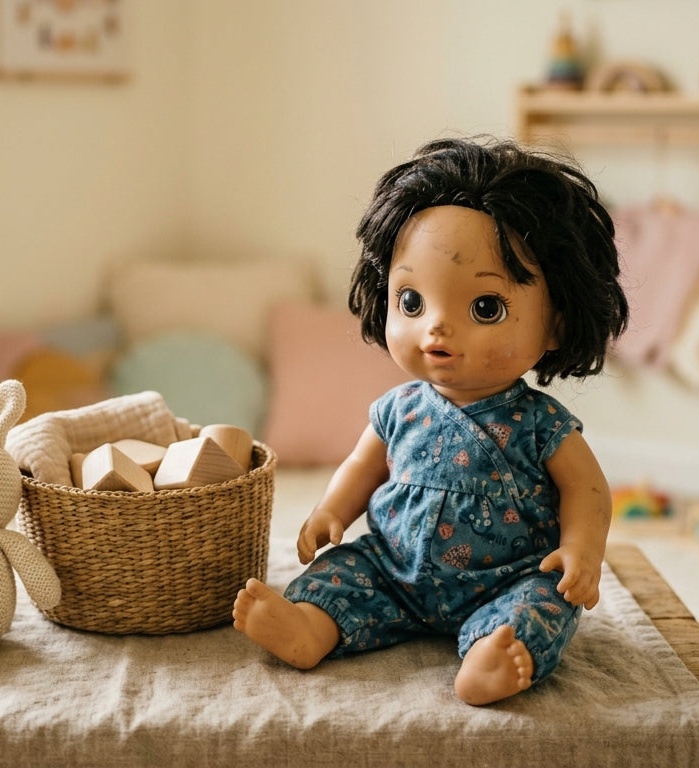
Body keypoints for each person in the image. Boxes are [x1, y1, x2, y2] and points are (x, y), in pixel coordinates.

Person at [233, 136, 628, 705]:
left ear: (556, 326)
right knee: (342, 573)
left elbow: (586, 488)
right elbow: (363, 465)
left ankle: (495, 654)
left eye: (485, 308)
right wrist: (331, 511)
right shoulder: (398, 408)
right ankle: (309, 628)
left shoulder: (541, 423)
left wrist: (581, 551)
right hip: (395, 568)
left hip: (507, 576)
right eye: (412, 302)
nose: (435, 327)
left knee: (545, 603)